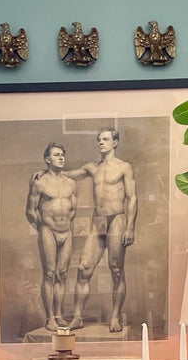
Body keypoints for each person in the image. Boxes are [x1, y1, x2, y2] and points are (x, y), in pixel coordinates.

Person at [66, 127, 138, 333]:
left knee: (116, 269)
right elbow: (70, 175)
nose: (101, 143)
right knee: (83, 268)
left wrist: (130, 227)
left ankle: (115, 317)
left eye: (106, 139)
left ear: (115, 142)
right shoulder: (92, 168)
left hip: (116, 218)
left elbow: (132, 197)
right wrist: (49, 172)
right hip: (98, 221)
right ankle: (78, 317)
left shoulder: (124, 167)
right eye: (99, 139)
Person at [25, 142, 77, 332]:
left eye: (62, 154)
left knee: (62, 274)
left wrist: (65, 225)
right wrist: (43, 227)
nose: (61, 157)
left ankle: (59, 314)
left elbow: (73, 209)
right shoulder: (40, 182)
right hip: (47, 230)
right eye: (56, 155)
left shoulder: (71, 183)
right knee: (49, 273)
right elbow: (30, 210)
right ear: (48, 159)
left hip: (67, 231)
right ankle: (50, 318)